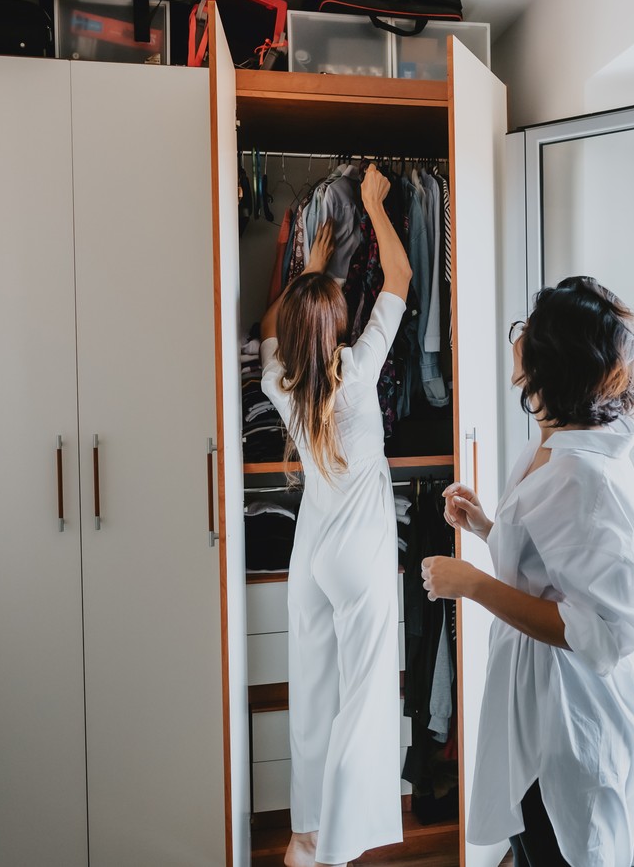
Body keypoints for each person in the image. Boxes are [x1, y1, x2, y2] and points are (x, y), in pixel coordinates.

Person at [421, 276, 634, 867]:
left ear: (553, 364)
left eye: (530, 331)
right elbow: (557, 564)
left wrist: (473, 586)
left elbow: (600, 632)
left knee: (553, 842)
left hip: (569, 714)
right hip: (538, 700)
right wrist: (487, 528)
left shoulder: (580, 473)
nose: (519, 340)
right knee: (532, 843)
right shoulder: (557, 444)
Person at [259, 164, 411, 867]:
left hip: (311, 551)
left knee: (314, 693)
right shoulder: (359, 368)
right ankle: (340, 846)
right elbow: (402, 279)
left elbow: (270, 329)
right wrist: (377, 205)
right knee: (365, 700)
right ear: (339, 323)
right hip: (358, 550)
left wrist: (308, 270)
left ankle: (306, 835)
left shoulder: (283, 381)